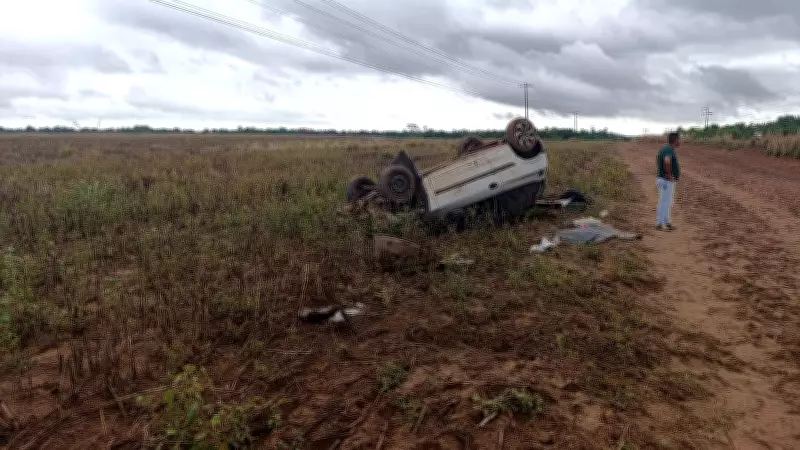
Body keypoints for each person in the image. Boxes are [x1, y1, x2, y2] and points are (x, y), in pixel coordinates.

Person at [656, 132, 680, 231]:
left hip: (663, 179)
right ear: (676, 140)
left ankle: (666, 222)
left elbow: (659, 160)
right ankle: (661, 224)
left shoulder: (665, 149)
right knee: (665, 202)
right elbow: (667, 160)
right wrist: (669, 175)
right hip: (666, 180)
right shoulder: (669, 149)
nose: (680, 141)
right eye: (679, 139)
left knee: (667, 202)